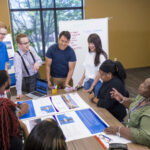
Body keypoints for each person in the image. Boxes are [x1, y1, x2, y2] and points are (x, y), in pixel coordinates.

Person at [104, 78, 150, 148]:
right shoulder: (143, 97)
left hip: (138, 145)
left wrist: (119, 130)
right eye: (143, 82)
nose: (141, 85)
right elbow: (134, 104)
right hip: (125, 133)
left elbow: (144, 136)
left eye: (144, 86)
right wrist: (122, 99)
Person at [14, 33, 42, 99]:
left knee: (41, 94)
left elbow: (39, 60)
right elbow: (18, 75)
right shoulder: (17, 56)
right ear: (19, 45)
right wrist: (19, 91)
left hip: (37, 75)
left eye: (28, 42)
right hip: (28, 80)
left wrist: (37, 63)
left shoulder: (31, 49)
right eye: (25, 43)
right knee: (33, 98)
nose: (28, 45)